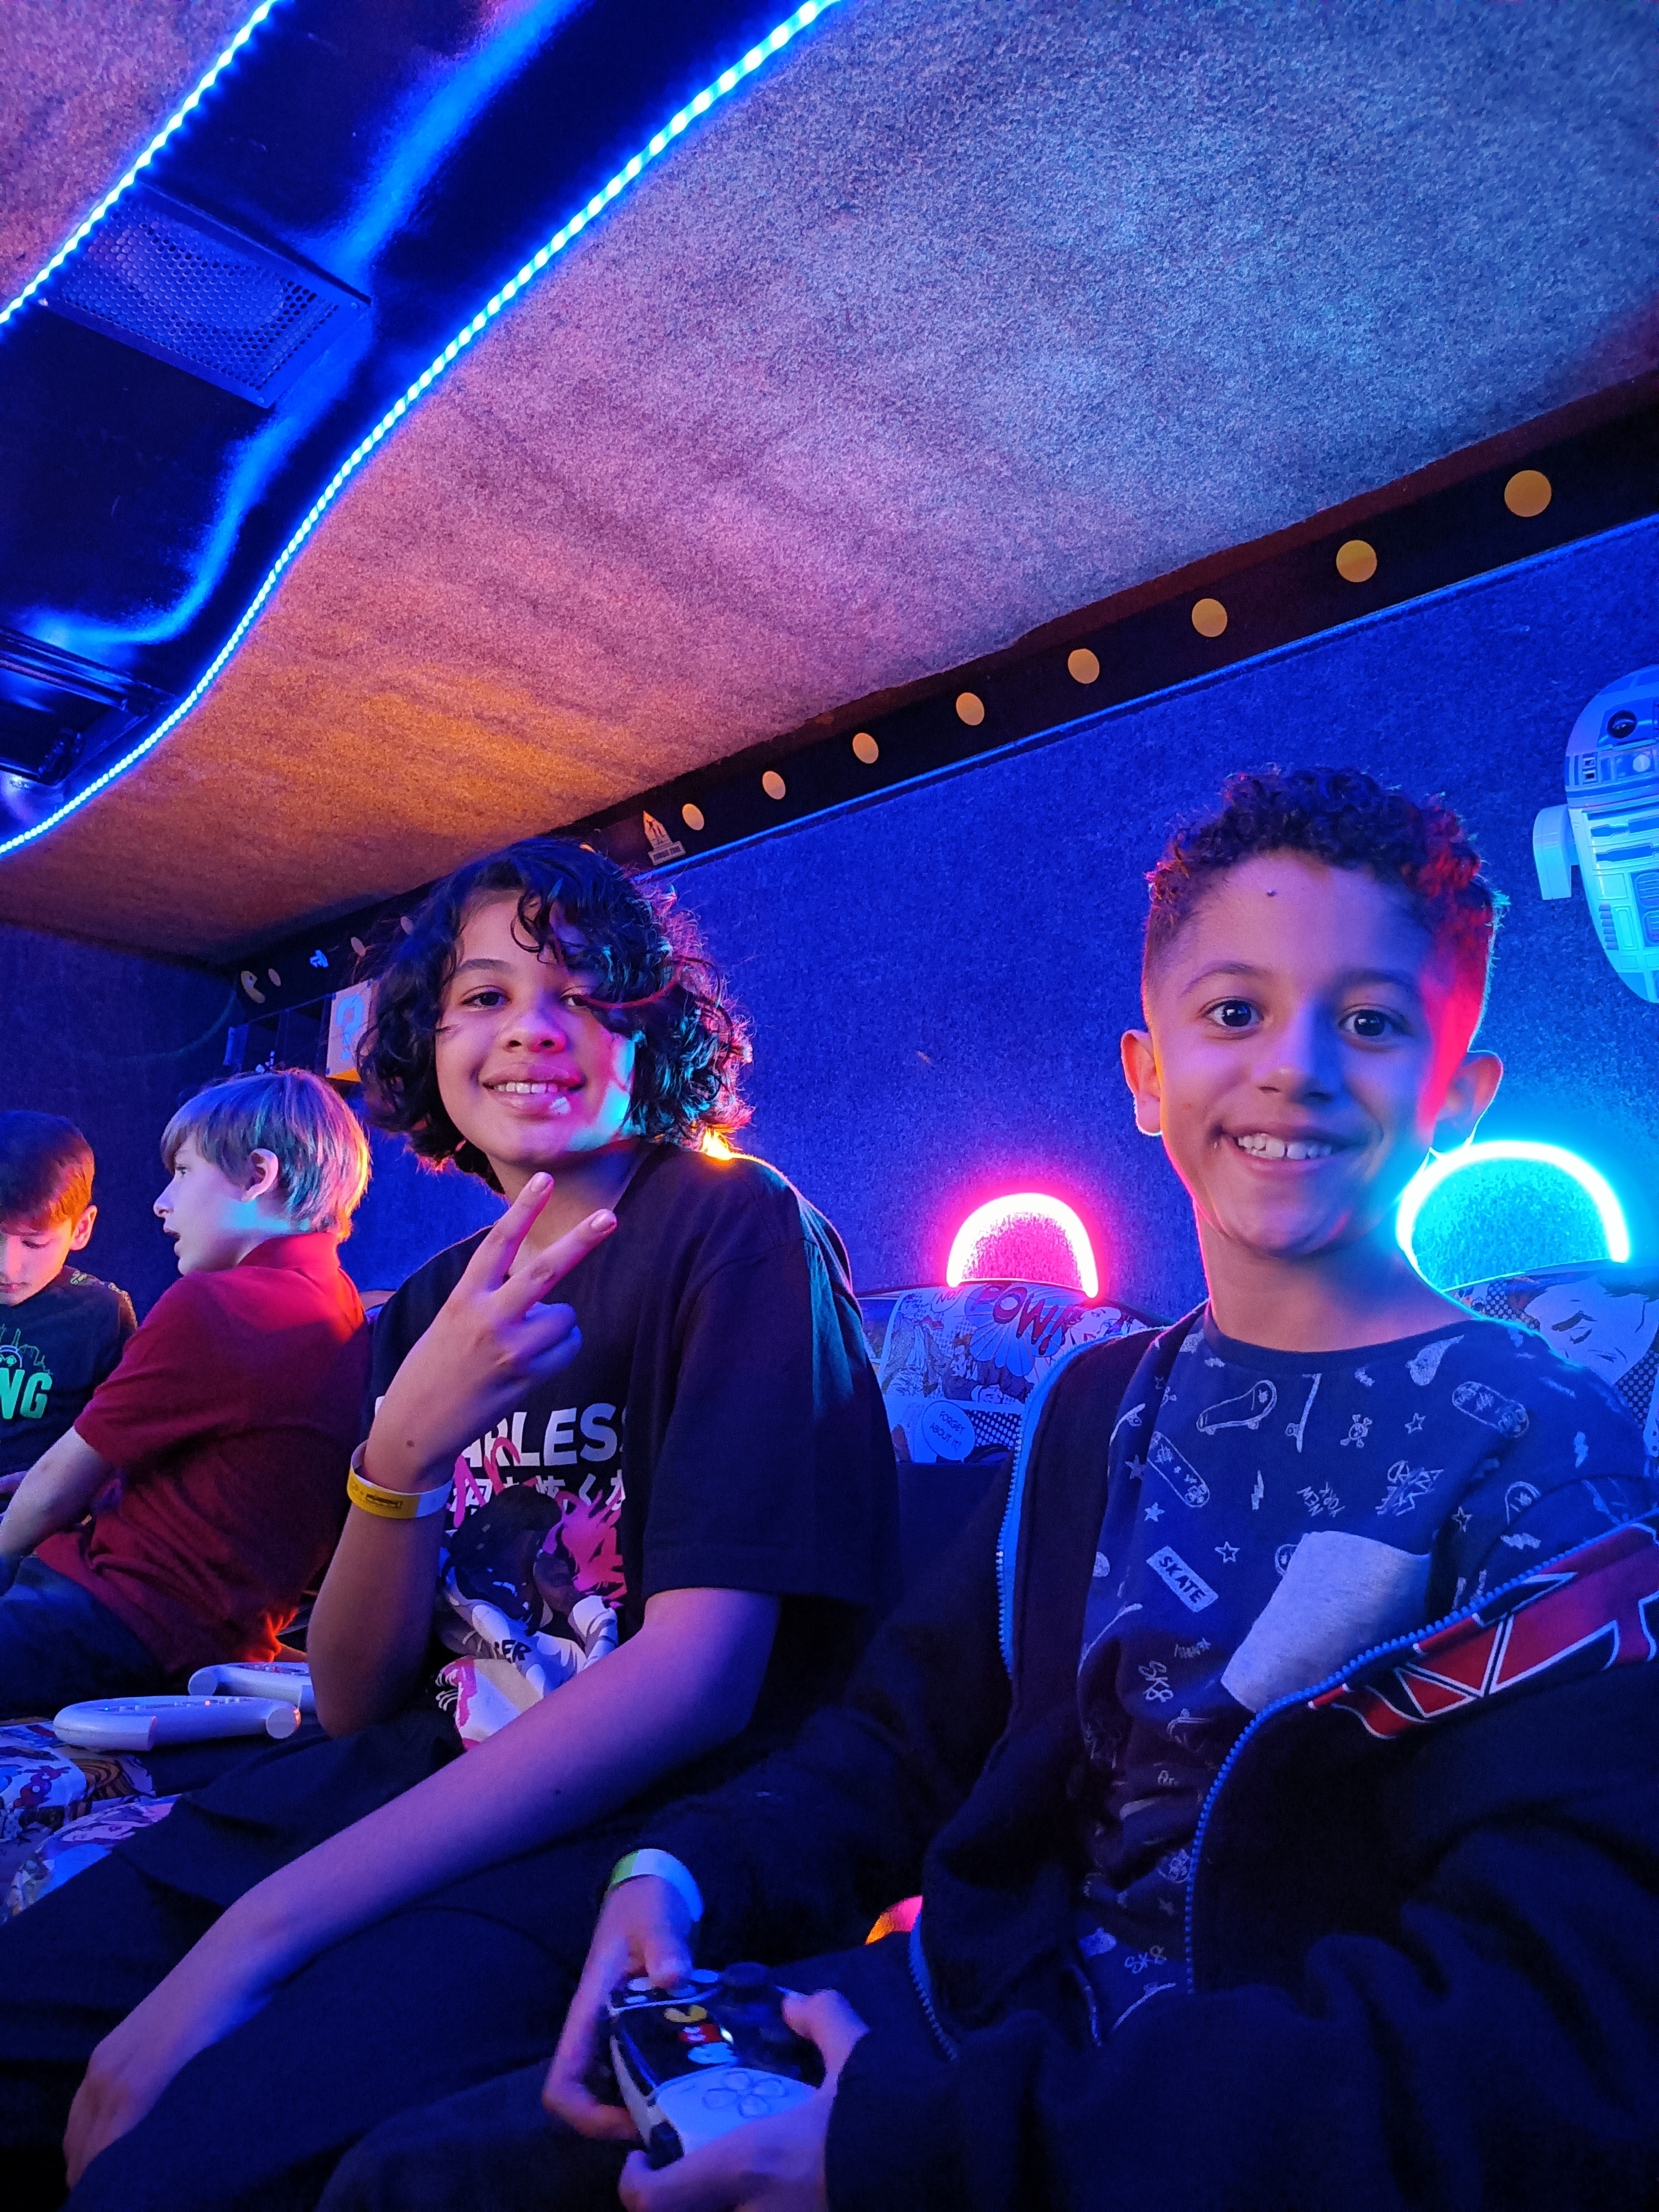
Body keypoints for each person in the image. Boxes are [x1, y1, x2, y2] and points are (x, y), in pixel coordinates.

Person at [326, 766, 1659, 2212]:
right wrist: (679, 1869)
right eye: (1235, 1013)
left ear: (1458, 1098)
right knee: (411, 2176)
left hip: (1199, 2128)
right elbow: (900, 1745)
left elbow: (1553, 2033)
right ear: (1147, 1075)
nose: (1293, 1067)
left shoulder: (1547, 1449)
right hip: (971, 2026)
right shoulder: (1094, 1405)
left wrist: (924, 2149)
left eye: (1372, 1023)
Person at [0, 837, 895, 2210]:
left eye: (583, 991)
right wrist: (401, 1452)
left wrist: (262, 1932)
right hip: (387, 1784)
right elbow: (360, 1692)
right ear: (428, 1041)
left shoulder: (734, 1225)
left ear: (651, 1033)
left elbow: (701, 1678)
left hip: (617, 1840)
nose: (531, 1026)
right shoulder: (426, 1300)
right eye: (484, 995)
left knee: (177, 2166)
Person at [0, 1071, 371, 1718]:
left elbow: (58, 1487)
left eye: (183, 1172)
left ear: (257, 1174)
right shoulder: (338, 1302)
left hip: (112, 1618)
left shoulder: (220, 1305)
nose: (162, 1203)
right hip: (195, 1629)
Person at [0, 1113, 134, 1502]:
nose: (7, 1267)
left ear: (81, 1228)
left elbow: (125, 1443)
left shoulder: (101, 1314)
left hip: (34, 1516)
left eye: (34, 1243)